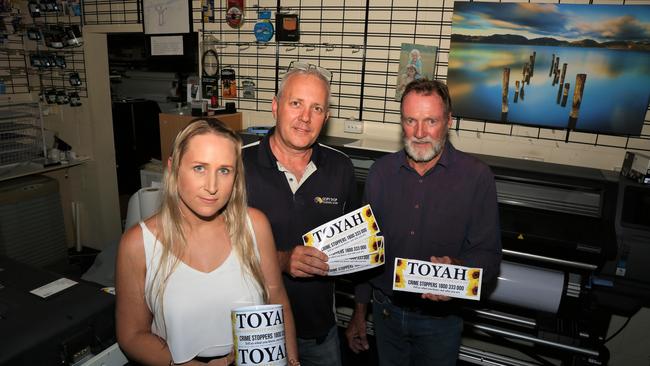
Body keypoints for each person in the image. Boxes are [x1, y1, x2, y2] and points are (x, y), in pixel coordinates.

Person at [115, 119, 299, 366]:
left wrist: (292, 360)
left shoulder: (255, 226)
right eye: (199, 168)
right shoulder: (138, 244)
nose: (212, 187)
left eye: (224, 170)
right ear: (173, 168)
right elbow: (132, 334)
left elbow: (277, 300)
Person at [345, 79, 502, 366]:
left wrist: (457, 271)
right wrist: (359, 312)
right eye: (410, 120)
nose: (419, 133)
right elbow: (366, 252)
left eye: (430, 121)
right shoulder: (380, 173)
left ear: (449, 121)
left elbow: (488, 256)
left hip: (441, 321)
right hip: (385, 313)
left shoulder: (476, 177)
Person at [243, 62, 358, 366]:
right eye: (296, 103)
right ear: (275, 106)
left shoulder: (341, 168)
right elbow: (212, 250)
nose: (305, 118)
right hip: (254, 331)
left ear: (326, 117)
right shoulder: (237, 165)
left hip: (320, 332)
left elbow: (356, 244)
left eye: (317, 108)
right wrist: (281, 260)